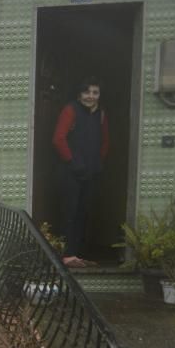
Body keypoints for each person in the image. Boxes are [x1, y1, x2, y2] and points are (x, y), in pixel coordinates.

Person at [52, 76, 109, 268]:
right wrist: (73, 163)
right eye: (87, 92)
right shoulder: (71, 110)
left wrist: (98, 162)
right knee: (69, 212)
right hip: (71, 172)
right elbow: (59, 139)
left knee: (83, 213)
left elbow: (105, 141)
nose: (90, 96)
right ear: (79, 94)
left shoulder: (100, 114)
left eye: (95, 92)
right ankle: (66, 255)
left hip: (90, 172)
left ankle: (77, 253)